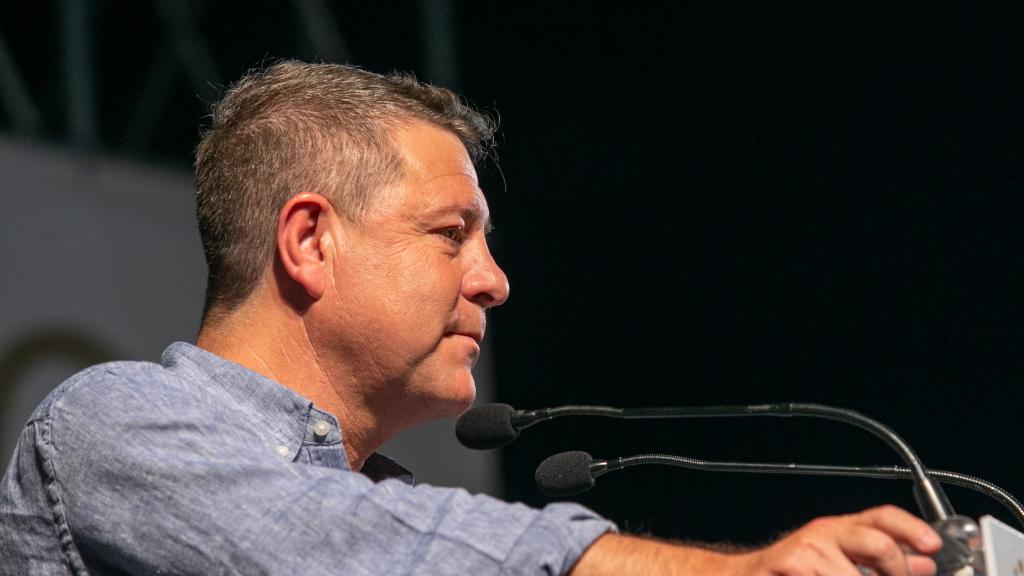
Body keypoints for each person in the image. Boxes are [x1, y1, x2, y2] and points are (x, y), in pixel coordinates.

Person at [0, 61, 942, 575]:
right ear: (310, 242)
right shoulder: (110, 425)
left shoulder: (388, 504)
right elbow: (354, 552)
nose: (494, 282)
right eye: (453, 234)